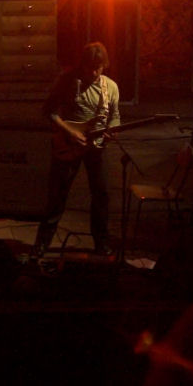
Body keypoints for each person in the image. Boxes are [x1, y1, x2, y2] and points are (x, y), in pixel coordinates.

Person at [33, 41, 120, 258]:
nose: (93, 72)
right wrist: (71, 132)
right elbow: (49, 112)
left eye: (98, 68)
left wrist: (112, 129)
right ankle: (41, 245)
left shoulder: (110, 87)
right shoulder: (68, 81)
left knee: (101, 195)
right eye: (89, 67)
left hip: (96, 147)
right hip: (69, 145)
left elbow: (115, 116)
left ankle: (101, 243)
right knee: (57, 196)